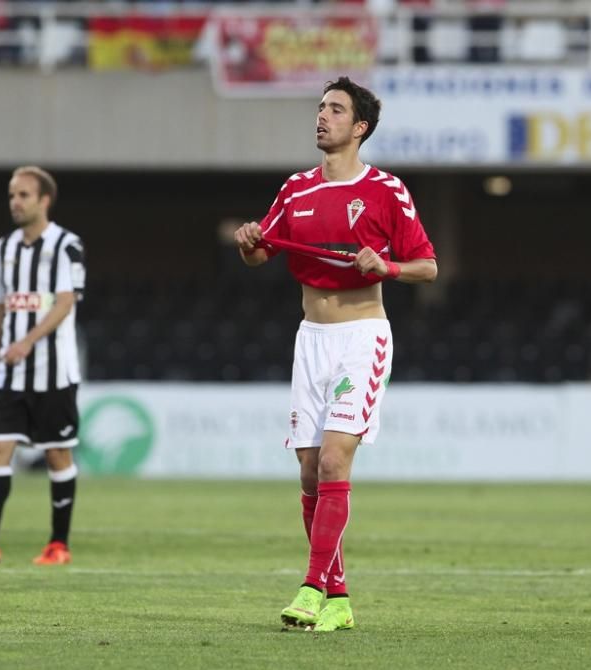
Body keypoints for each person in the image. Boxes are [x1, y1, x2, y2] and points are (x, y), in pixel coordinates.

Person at [233, 76, 437, 632]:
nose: (322, 117)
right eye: (321, 108)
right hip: (311, 338)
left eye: (335, 110)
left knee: (332, 462)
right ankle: (340, 597)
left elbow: (427, 265)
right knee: (307, 473)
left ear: (360, 127)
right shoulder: (295, 189)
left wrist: (386, 267)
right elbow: (261, 253)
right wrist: (249, 243)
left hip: (361, 336)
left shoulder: (386, 190)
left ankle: (311, 586)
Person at [0, 166, 85, 566]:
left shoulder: (67, 245)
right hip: (10, 371)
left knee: (57, 456)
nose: (15, 202)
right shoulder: (3, 249)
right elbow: (1, 307)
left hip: (53, 372)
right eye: (11, 195)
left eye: (23, 195)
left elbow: (65, 302)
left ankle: (58, 544)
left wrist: (27, 341)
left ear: (44, 201)